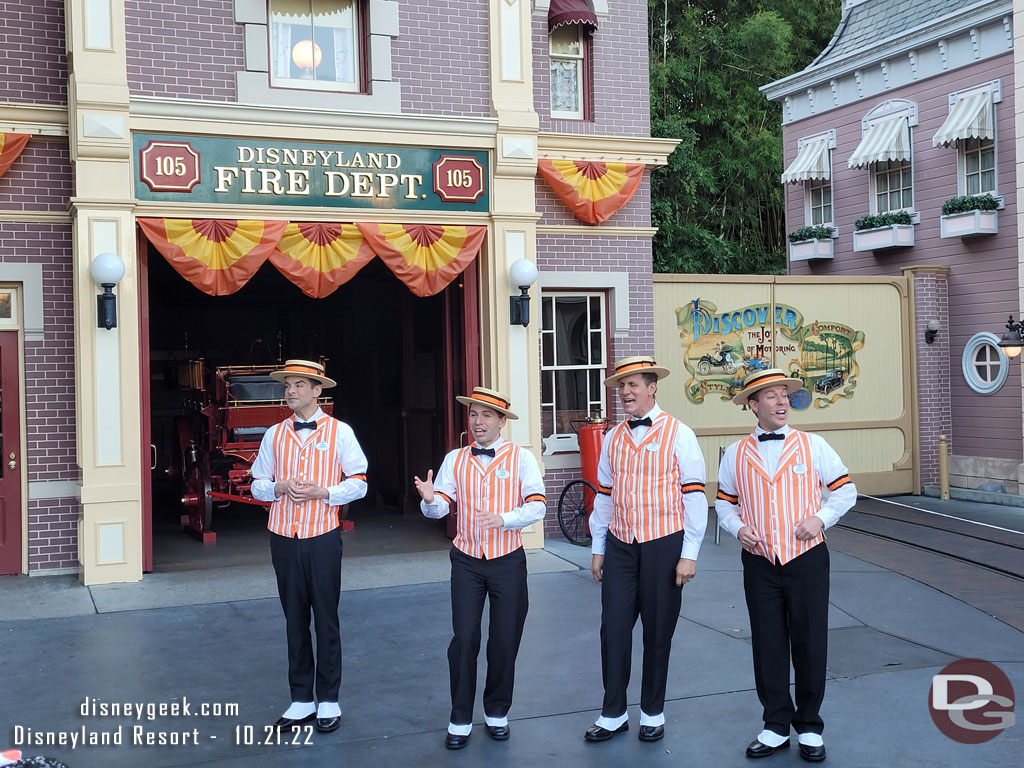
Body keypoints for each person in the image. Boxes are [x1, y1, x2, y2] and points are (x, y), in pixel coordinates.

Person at [716, 369, 857, 763]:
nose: (781, 402)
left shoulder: (813, 446)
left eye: (784, 395)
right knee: (768, 642)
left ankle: (809, 725)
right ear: (753, 405)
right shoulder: (736, 453)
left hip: (807, 558)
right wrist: (738, 528)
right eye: (772, 397)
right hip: (760, 562)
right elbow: (724, 503)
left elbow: (845, 490)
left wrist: (821, 519)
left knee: (810, 641)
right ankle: (776, 724)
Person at [414, 387, 546, 750]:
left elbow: (537, 506)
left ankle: (497, 711)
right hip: (467, 560)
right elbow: (441, 505)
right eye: (473, 414)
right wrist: (429, 500)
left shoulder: (521, 458)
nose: (477, 422)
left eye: (486, 415)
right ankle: (459, 716)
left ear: (502, 422)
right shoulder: (455, 458)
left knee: (504, 639)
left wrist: (504, 518)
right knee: (465, 639)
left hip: (507, 560)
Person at [585, 356, 708, 744]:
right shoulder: (613, 437)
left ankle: (652, 711)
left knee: (657, 632)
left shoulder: (679, 433)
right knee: (614, 629)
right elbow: (604, 495)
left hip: (664, 544)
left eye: (633, 385)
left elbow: (694, 496)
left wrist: (690, 553)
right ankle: (613, 712)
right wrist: (599, 546)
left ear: (652, 387)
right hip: (621, 546)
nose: (625, 392)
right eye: (621, 386)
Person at [251, 359, 368, 735]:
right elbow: (256, 484)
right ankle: (301, 699)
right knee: (294, 617)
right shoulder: (274, 434)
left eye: (298, 385)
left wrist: (325, 492)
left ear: (318, 391)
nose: (290, 391)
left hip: (321, 534)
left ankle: (329, 698)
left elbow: (360, 481)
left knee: (326, 616)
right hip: (282, 535)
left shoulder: (340, 432)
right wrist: (278, 487)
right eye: (287, 385)